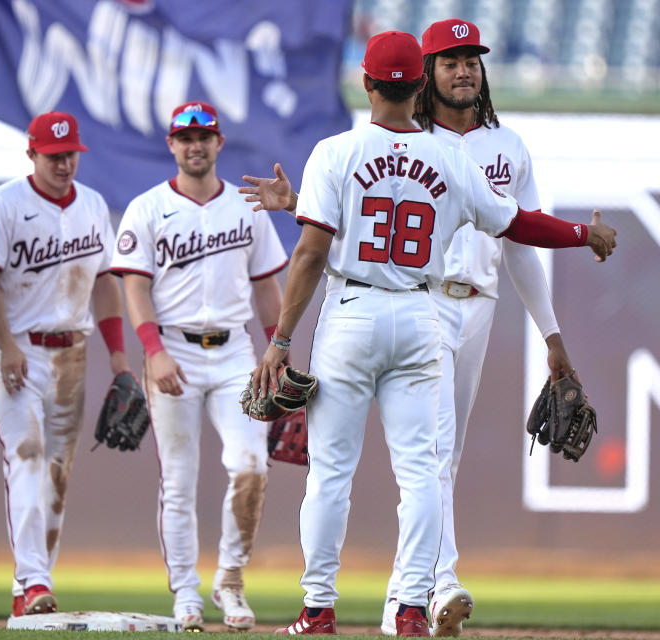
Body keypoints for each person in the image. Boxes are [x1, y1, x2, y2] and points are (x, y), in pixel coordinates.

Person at [249, 31, 615, 636]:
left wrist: (282, 340)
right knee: (422, 471)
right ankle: (415, 607)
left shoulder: (335, 151)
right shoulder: (452, 160)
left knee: (331, 473)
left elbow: (312, 254)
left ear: (365, 83)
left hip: (352, 311)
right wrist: (583, 235)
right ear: (420, 83)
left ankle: (318, 610)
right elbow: (518, 223)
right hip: (420, 314)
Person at [110, 101, 288, 631]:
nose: (195, 145)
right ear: (171, 144)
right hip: (173, 350)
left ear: (219, 143)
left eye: (204, 136)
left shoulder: (244, 204)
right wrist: (152, 349)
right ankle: (185, 591)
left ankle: (229, 581)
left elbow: (267, 289)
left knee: (251, 466)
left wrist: (280, 348)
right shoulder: (146, 208)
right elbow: (134, 287)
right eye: (185, 137)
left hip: (235, 351)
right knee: (179, 481)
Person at [0, 111, 131, 623]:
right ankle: (34, 579)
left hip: (72, 353)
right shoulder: (2, 204)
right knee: (27, 456)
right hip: (18, 348)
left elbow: (105, 281)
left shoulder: (90, 205)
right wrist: (4, 342)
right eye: (53, 154)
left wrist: (117, 354)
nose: (64, 163)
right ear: (32, 154)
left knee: (58, 474)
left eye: (70, 155)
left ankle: (34, 588)